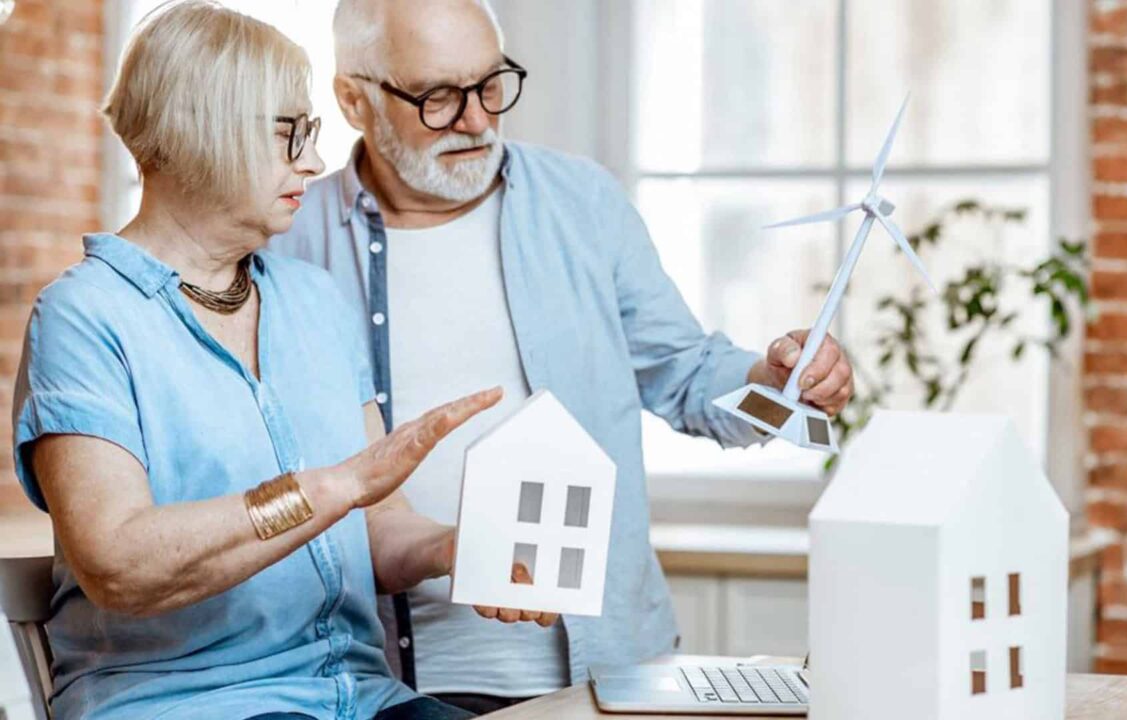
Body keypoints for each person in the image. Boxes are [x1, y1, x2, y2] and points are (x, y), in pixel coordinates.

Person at [272, 0, 855, 714]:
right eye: (439, 98)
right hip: (386, 687)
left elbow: (689, 375)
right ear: (353, 100)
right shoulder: (285, 244)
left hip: (606, 670)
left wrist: (778, 382)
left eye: (491, 85)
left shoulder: (584, 203)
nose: (479, 120)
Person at [10, 3, 549, 719]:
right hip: (183, 703)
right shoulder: (85, 316)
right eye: (290, 134)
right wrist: (335, 486)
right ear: (203, 129)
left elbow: (375, 525)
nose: (314, 162)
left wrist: (457, 547)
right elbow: (119, 565)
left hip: (358, 696)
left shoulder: (313, 301)